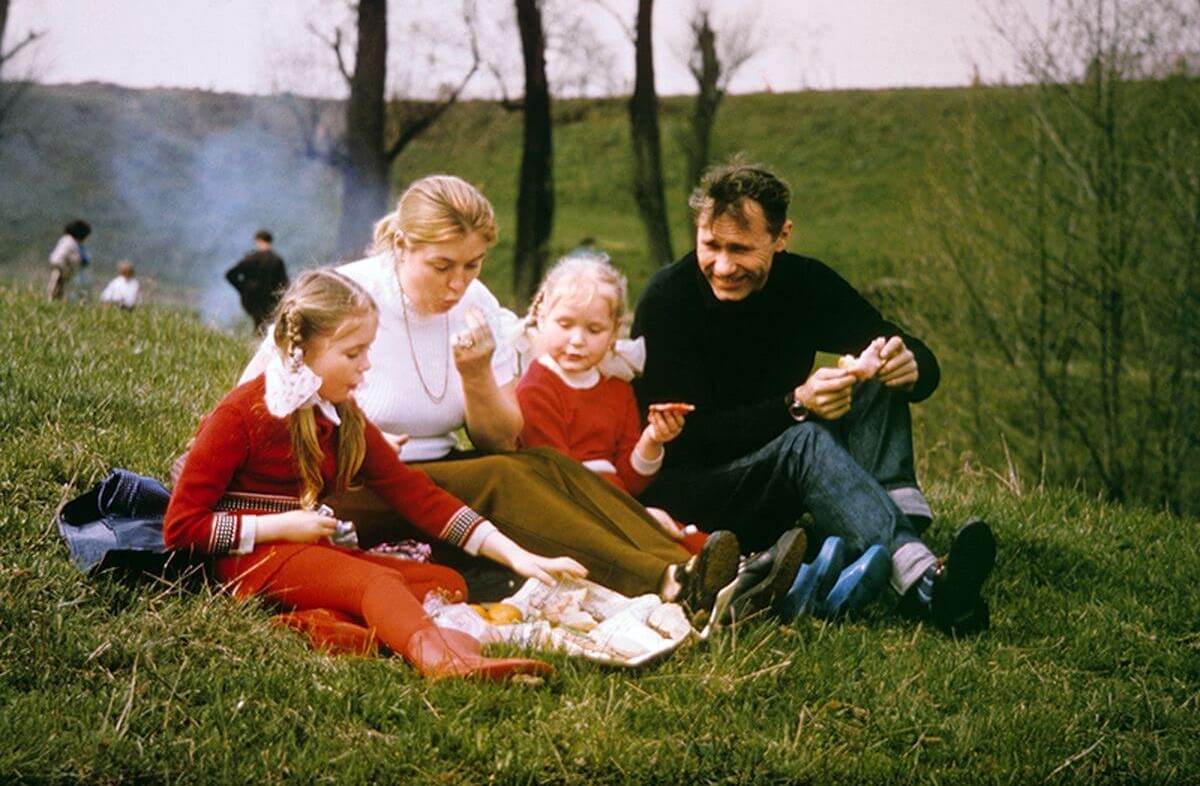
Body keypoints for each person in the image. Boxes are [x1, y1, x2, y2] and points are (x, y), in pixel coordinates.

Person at [239, 175, 742, 625]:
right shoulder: (344, 296)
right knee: (499, 476)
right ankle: (665, 583)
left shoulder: (475, 302)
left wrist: (476, 375)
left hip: (430, 479)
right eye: (441, 266)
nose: (458, 283)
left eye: (472, 264)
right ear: (401, 247)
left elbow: (500, 438)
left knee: (543, 464)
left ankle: (695, 562)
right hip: (344, 489)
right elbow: (251, 411)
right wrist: (348, 441)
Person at [631, 160, 996, 634]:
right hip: (700, 495)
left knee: (871, 367)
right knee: (804, 443)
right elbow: (683, 442)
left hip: (776, 468)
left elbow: (893, 341)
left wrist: (911, 366)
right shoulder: (668, 300)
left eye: (741, 249)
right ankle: (926, 584)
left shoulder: (805, 282)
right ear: (697, 233)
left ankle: (890, 527)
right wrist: (795, 405)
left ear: (782, 237)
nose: (723, 266)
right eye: (711, 246)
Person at [166, 268, 583, 679]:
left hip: (303, 552)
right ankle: (445, 662)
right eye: (353, 353)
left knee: (445, 582)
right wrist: (281, 526)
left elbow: (415, 494)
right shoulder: (241, 414)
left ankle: (321, 623)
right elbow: (181, 528)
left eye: (368, 350)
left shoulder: (340, 413)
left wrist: (517, 554)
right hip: (244, 561)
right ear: (304, 350)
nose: (366, 366)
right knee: (377, 583)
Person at [515, 252, 708, 556]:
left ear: (614, 331)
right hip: (569, 513)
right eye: (565, 324)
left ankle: (741, 570)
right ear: (542, 318)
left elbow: (630, 480)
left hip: (616, 503)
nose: (577, 340)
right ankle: (706, 575)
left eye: (594, 330)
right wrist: (635, 515)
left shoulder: (617, 390)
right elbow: (559, 477)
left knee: (679, 535)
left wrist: (652, 439)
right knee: (662, 541)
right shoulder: (536, 388)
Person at [225, 229, 289, 333]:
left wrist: (242, 288)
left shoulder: (250, 259)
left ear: (257, 241)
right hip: (271, 298)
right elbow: (284, 282)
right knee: (268, 324)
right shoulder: (276, 260)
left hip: (251, 297)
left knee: (257, 322)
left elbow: (230, 275)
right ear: (271, 241)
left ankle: (256, 341)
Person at [47, 220, 92, 301]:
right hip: (61, 269)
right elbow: (58, 258)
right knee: (56, 290)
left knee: (59, 291)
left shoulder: (67, 241)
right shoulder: (69, 242)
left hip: (64, 270)